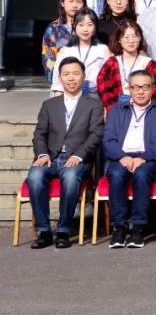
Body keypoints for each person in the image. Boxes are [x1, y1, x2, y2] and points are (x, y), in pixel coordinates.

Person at [27, 57, 104, 249]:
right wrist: (42, 154)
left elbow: (96, 134)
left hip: (78, 159)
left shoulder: (94, 104)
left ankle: (63, 230)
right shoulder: (49, 105)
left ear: (83, 76)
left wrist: (78, 155)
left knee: (70, 178)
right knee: (35, 176)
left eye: (76, 73)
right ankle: (44, 231)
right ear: (60, 78)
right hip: (51, 158)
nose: (71, 78)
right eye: (66, 74)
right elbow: (39, 134)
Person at [101, 69, 156, 248]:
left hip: (149, 159)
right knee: (117, 175)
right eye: (136, 87)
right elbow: (108, 140)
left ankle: (138, 228)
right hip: (120, 157)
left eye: (145, 87)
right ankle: (119, 228)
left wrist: (144, 157)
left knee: (141, 174)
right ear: (129, 89)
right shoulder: (116, 110)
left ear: (153, 88)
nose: (140, 91)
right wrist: (122, 156)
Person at [96, 22, 156, 113]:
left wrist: (138, 105)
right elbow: (104, 89)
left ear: (140, 38)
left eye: (134, 36)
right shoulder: (111, 63)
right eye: (126, 37)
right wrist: (114, 110)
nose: (131, 41)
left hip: (143, 111)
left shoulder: (149, 64)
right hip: (116, 111)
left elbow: (154, 89)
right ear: (119, 39)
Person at [50, 8, 110, 96]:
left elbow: (109, 79)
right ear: (75, 26)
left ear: (95, 27)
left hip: (95, 96)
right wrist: (58, 100)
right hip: (69, 95)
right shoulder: (65, 51)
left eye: (90, 25)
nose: (85, 29)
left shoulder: (103, 50)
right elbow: (57, 82)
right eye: (81, 25)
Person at [42, 0, 87, 82]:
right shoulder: (53, 28)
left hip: (86, 80)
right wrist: (56, 79)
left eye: (79, 1)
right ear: (62, 3)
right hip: (61, 81)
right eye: (71, 1)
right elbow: (48, 57)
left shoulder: (89, 27)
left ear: (84, 4)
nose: (75, 5)